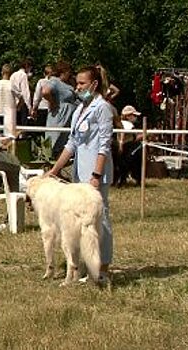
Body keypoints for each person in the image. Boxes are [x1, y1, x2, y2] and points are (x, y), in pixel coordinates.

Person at [45, 66, 114, 286]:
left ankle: (102, 267)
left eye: (82, 84)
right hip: (79, 175)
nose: (78, 88)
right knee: (80, 223)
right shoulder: (79, 110)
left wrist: (96, 174)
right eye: (77, 83)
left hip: (96, 175)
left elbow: (104, 144)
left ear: (94, 85)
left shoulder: (102, 108)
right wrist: (54, 170)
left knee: (100, 222)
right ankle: (84, 266)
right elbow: (72, 144)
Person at [41, 61, 78, 157]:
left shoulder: (69, 84)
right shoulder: (55, 81)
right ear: (63, 71)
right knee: (54, 140)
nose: (70, 74)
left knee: (65, 143)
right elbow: (45, 91)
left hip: (69, 117)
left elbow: (81, 97)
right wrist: (52, 102)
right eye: (68, 71)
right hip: (59, 115)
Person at [115, 105, 143, 186]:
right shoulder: (127, 124)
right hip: (127, 148)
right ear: (128, 116)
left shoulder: (122, 123)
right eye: (134, 115)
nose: (136, 117)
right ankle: (136, 179)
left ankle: (124, 179)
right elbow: (136, 137)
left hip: (125, 148)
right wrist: (147, 134)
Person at [0, 64, 16, 137]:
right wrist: (17, 107)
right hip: (9, 113)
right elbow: (21, 97)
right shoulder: (12, 84)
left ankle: (0, 147)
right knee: (8, 135)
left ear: (2, 72)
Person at [10, 57, 33, 126]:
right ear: (27, 67)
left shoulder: (13, 75)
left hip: (13, 103)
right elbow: (25, 92)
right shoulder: (23, 75)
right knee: (23, 126)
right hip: (22, 103)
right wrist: (29, 107)